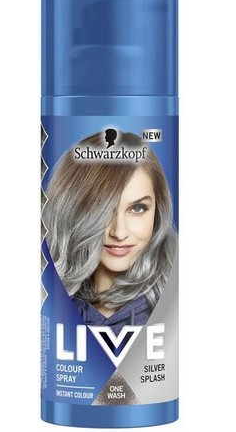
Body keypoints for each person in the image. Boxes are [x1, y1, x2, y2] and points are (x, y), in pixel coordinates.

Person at [43, 131, 177, 334]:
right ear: (70, 211)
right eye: (101, 210)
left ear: (158, 211)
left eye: (137, 208)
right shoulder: (47, 297)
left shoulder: (177, 298)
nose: (119, 232)